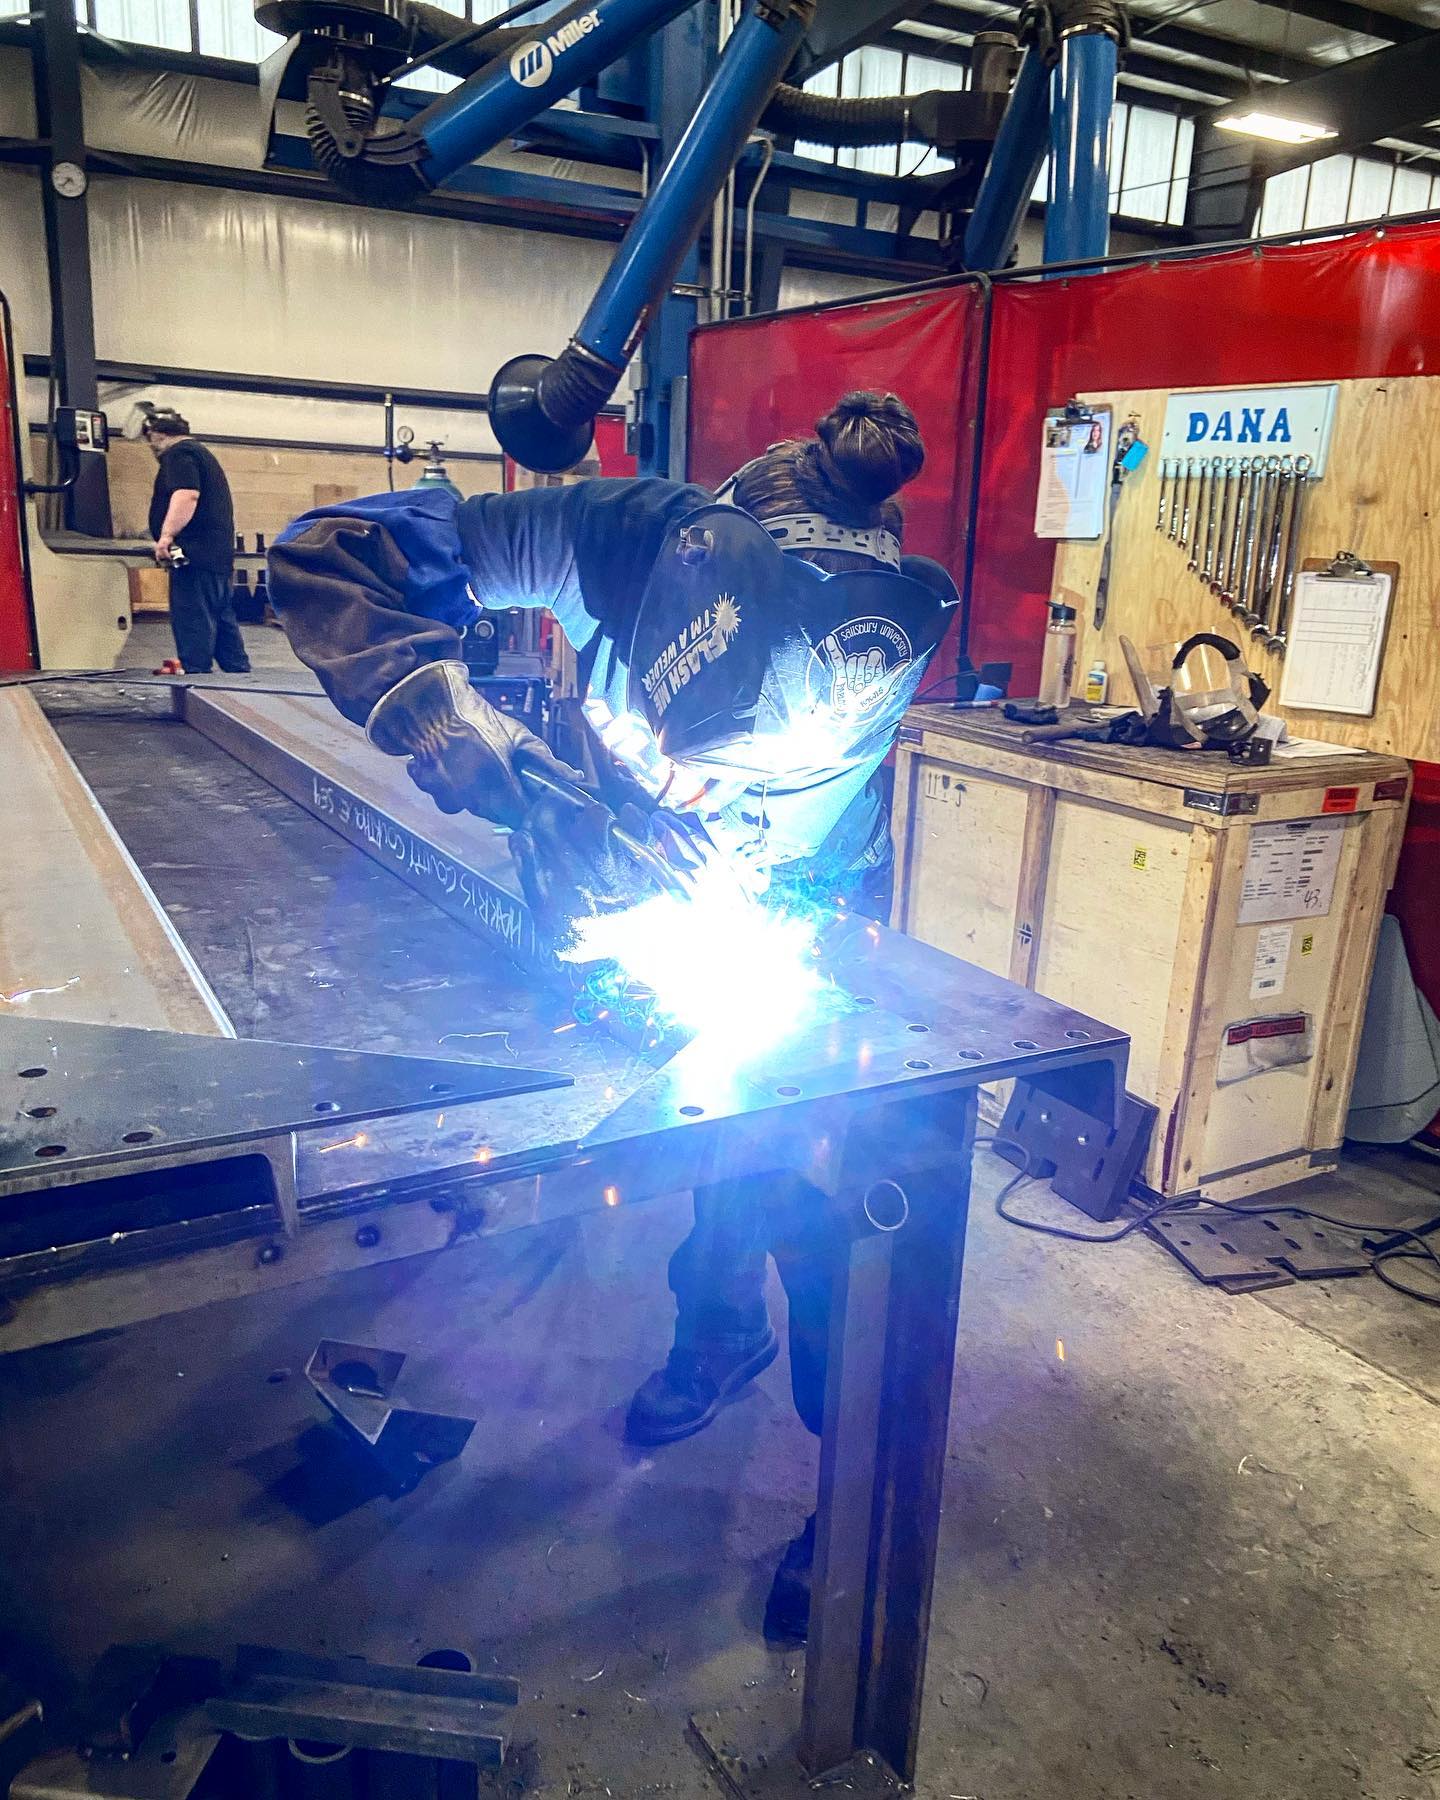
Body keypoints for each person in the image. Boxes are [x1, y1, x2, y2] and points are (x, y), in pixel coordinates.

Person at [267, 390, 956, 1640]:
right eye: (713, 748)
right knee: (719, 1140)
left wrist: (734, 834)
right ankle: (718, 1328)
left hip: (813, 890)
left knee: (825, 1191)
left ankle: (849, 1500)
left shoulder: (879, 621)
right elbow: (336, 553)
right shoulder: (622, 536)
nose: (717, 779)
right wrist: (432, 700)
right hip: (637, 864)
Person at [144, 408, 250, 675]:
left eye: (150, 439)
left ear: (158, 435)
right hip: (214, 556)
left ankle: (197, 680)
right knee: (221, 619)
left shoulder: (179, 454)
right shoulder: (202, 454)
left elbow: (187, 495)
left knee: (192, 618)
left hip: (192, 554)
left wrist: (166, 535)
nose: (150, 447)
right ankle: (242, 679)